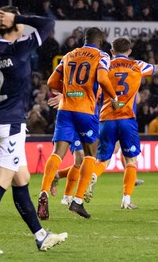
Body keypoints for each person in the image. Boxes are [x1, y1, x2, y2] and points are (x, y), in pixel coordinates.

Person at [0, 6, 67, 255]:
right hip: (10, 125)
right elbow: (48, 24)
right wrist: (16, 17)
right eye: (17, 20)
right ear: (13, 24)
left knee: (21, 180)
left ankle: (41, 236)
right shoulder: (19, 49)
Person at [83, 37, 158, 210]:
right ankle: (126, 199)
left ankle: (94, 175)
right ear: (129, 51)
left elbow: (89, 88)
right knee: (131, 160)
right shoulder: (137, 66)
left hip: (106, 118)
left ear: (112, 51)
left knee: (103, 159)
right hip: (127, 119)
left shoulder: (104, 66)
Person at [38, 27, 119, 220]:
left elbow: (51, 82)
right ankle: (77, 201)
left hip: (65, 109)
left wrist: (67, 92)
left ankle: (43, 192)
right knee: (91, 154)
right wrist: (113, 97)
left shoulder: (68, 55)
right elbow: (101, 78)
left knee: (57, 152)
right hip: (85, 110)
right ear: (100, 42)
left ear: (84, 39)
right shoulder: (101, 56)